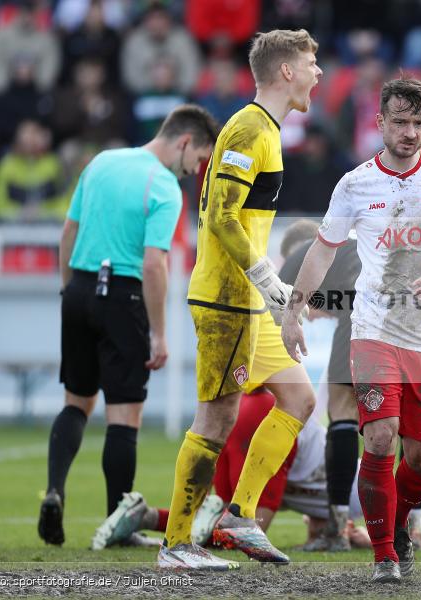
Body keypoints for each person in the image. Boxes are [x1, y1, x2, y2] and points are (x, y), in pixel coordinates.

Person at [281, 78, 421, 584]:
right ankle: (384, 554)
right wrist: (294, 309)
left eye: (418, 123)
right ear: (379, 122)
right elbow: (322, 249)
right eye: (399, 122)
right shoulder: (355, 184)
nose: (409, 132)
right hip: (374, 330)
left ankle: (400, 522)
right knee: (380, 438)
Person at [158, 29, 323, 571]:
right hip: (227, 299)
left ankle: (240, 515)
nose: (318, 73)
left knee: (299, 399)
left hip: (249, 299)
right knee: (215, 421)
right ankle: (177, 545)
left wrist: (274, 297)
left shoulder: (266, 130)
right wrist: (269, 283)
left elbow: (241, 224)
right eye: (311, 63)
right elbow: (221, 217)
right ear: (286, 72)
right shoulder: (250, 129)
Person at [37, 104, 219, 547]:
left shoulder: (102, 161)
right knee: (125, 415)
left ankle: (55, 490)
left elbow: (67, 232)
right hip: (123, 295)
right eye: (197, 161)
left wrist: (70, 291)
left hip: (78, 287)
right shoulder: (162, 185)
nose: (193, 172)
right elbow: (154, 265)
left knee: (76, 402)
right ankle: (116, 521)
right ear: (184, 142)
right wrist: (158, 333)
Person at [91, 387, 370, 551]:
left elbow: (320, 518)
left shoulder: (335, 491)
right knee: (241, 533)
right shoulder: (358, 490)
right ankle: (157, 528)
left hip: (245, 405)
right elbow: (391, 509)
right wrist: (368, 538)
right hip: (274, 423)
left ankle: (146, 517)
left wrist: (327, 529)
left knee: (222, 514)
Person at [276, 219, 361, 552]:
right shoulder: (355, 243)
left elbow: (266, 319)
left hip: (362, 309)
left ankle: (336, 529)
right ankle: (411, 529)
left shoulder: (301, 255)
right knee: (401, 420)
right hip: (407, 310)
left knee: (341, 412)